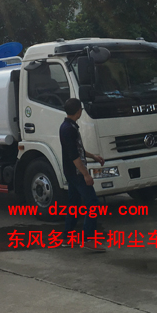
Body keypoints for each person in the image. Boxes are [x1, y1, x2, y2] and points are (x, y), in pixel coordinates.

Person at [59, 98, 106, 251]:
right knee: (92, 202)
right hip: (77, 172)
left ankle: (67, 237)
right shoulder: (69, 129)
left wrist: (94, 157)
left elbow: (78, 150)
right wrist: (86, 175)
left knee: (74, 204)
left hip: (71, 172)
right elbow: (74, 155)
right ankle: (89, 239)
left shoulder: (67, 126)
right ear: (78, 111)